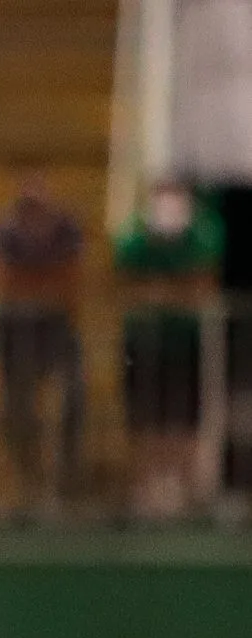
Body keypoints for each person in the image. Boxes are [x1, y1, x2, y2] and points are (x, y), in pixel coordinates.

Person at [114, 179, 224, 519]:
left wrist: (160, 293)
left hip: (187, 344)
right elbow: (124, 288)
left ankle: (187, 492)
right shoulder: (134, 239)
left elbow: (202, 286)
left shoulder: (202, 235)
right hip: (143, 344)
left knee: (185, 419)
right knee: (145, 419)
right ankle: (147, 491)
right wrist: (170, 293)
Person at [0, 176, 86, 513]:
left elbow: (72, 281)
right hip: (16, 328)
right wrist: (43, 285)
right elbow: (5, 282)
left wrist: (36, 285)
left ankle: (64, 480)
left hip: (56, 327)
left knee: (72, 397)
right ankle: (27, 481)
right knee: (19, 408)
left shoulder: (67, 231)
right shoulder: (5, 233)